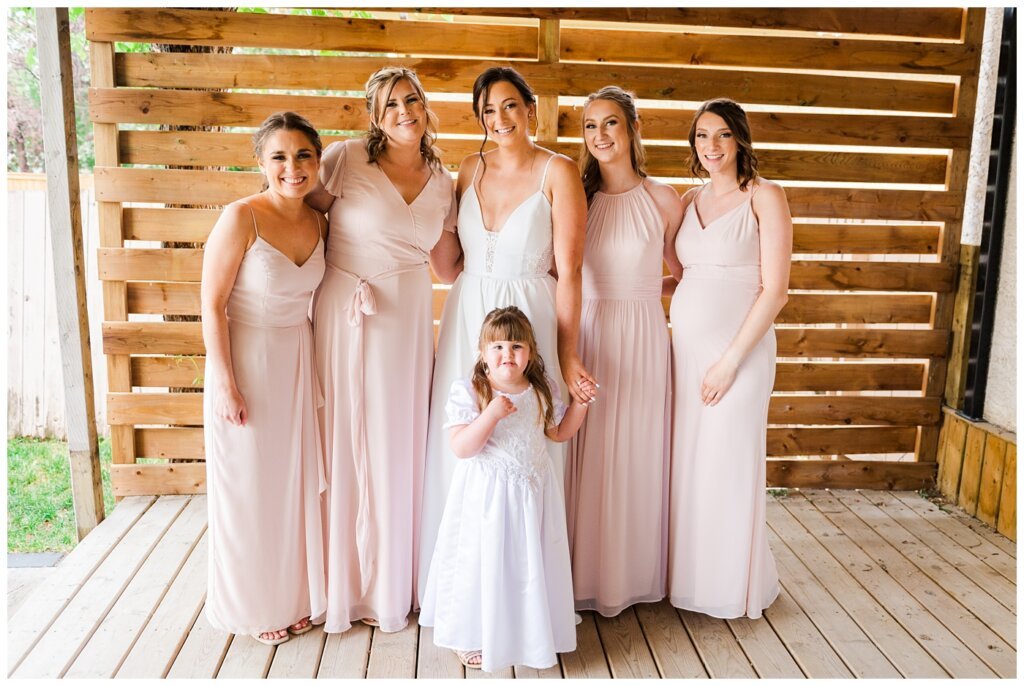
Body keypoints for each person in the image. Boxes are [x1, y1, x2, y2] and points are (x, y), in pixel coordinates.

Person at [418, 66, 597, 601]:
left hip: (532, 317)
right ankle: (459, 591)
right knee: (464, 440)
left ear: (531, 109)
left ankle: (523, 593)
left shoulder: (558, 172)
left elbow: (570, 272)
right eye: (488, 111)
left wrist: (567, 356)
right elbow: (448, 263)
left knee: (526, 447)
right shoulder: (469, 167)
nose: (500, 119)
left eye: (510, 105)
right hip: (469, 316)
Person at [305, 66, 458, 633]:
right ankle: (342, 581)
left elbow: (448, 263)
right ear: (374, 114)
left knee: (399, 442)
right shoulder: (344, 158)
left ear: (425, 104)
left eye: (412, 99)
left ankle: (394, 582)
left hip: (410, 317)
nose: (403, 111)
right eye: (390, 104)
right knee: (347, 436)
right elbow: (299, 209)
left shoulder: (443, 178)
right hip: (349, 311)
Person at [201, 112, 328, 645]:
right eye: (279, 156)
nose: (292, 167)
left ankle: (293, 596)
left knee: (292, 485)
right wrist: (226, 382)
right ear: (260, 162)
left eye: (303, 155)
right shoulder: (240, 217)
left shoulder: (319, 221)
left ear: (317, 161)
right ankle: (254, 606)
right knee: (250, 488)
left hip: (298, 361)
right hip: (247, 362)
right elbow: (211, 304)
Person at [667, 98, 792, 618]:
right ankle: (692, 580)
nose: (710, 146)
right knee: (692, 465)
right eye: (701, 136)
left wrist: (730, 362)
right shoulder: (688, 198)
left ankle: (730, 587)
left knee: (729, 464)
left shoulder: (765, 196)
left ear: (740, 139)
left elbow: (776, 290)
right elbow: (676, 272)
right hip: (685, 351)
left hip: (738, 354)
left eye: (721, 135)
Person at [565, 86, 683, 617]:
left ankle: (631, 577)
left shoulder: (664, 199)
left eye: (610, 123)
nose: (600, 135)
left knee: (635, 448)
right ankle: (581, 575)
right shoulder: (576, 197)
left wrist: (640, 293)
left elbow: (683, 277)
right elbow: (556, 270)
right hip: (588, 330)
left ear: (633, 128)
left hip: (642, 336)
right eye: (590, 126)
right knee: (584, 451)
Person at [419, 307, 588, 672]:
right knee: (484, 563)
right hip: (488, 501)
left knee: (524, 566)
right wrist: (491, 414)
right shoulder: (472, 390)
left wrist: (581, 406)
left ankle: (525, 630)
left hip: (531, 495)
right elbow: (462, 447)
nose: (506, 354)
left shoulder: (541, 389)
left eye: (516, 346)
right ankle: (472, 634)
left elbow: (557, 433)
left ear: (530, 353)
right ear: (482, 353)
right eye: (496, 346)